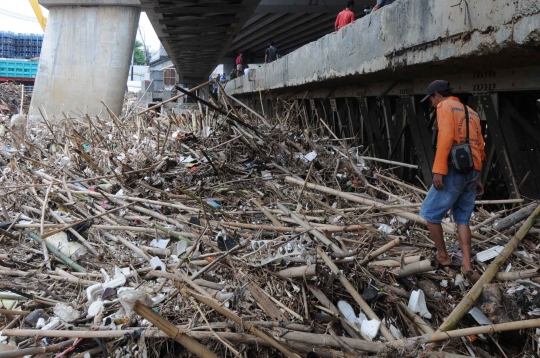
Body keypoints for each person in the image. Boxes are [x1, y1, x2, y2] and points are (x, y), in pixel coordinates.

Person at [419, 80, 485, 281]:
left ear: (437, 95)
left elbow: (446, 138)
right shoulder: (471, 112)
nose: (431, 103)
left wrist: (438, 170)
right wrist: (478, 177)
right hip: (472, 169)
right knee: (463, 219)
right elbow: (480, 145)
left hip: (453, 169)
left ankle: (443, 256)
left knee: (429, 213)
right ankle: (467, 264)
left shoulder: (444, 106)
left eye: (431, 99)